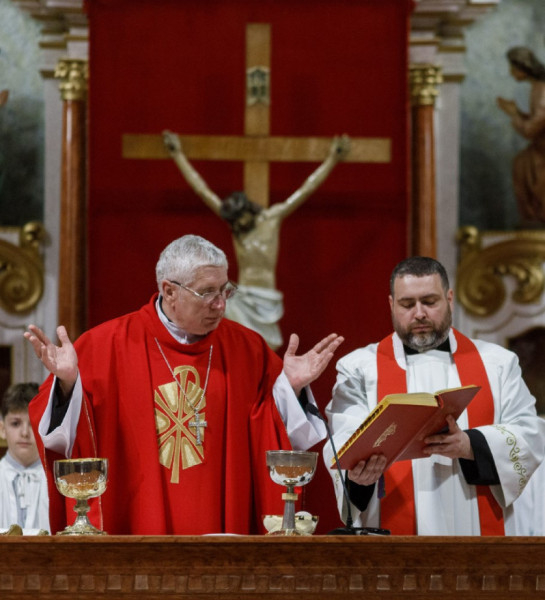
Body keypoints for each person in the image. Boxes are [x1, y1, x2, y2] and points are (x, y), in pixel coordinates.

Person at [24, 234, 343, 535]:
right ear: (169, 291)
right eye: (208, 293)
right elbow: (62, 440)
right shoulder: (104, 346)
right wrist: (67, 384)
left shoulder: (248, 349)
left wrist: (292, 390)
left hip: (223, 530)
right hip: (134, 528)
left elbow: (277, 440)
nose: (220, 304)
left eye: (225, 290)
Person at [323, 256, 545, 535]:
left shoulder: (498, 363)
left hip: (477, 533)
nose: (419, 313)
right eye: (407, 304)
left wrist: (470, 445)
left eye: (429, 301)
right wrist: (358, 476)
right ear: (391, 304)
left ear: (449, 299)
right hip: (393, 536)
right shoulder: (359, 369)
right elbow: (343, 441)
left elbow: (529, 434)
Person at [163, 130, 350, 349]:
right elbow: (202, 191)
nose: (239, 225)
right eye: (235, 222)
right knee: (237, 342)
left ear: (249, 211)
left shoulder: (272, 218)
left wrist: (332, 158)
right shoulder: (237, 228)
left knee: (266, 348)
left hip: (266, 298)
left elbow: (307, 189)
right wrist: (178, 155)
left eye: (241, 219)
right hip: (242, 298)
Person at [497, 46, 545, 225]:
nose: (510, 72)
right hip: (539, 148)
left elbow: (531, 129)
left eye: (512, 67)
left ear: (523, 68)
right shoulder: (537, 87)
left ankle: (537, 215)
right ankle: (534, 217)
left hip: (542, 153)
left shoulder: (542, 89)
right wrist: (517, 112)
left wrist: (513, 114)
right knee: (521, 163)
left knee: (524, 164)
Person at [0, 382, 49, 534]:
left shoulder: (57, 481)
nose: (25, 433)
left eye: (33, 423)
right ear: (2, 429)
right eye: (16, 424)